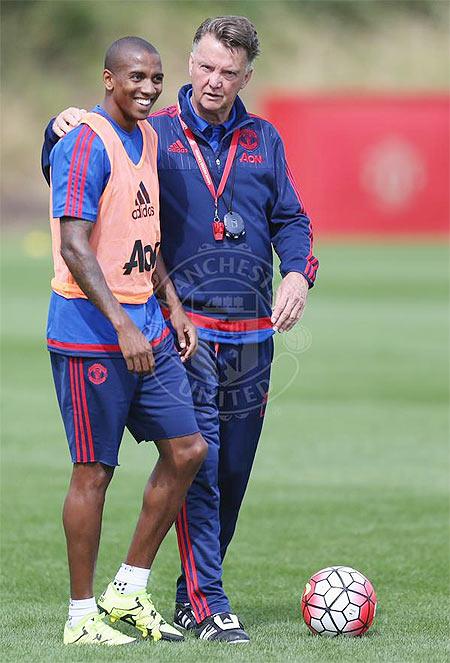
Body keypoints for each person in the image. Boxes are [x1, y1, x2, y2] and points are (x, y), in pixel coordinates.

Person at [42, 16, 318, 644]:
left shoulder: (263, 138)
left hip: (252, 335)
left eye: (228, 72)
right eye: (204, 67)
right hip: (180, 327)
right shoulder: (151, 131)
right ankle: (205, 601)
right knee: (198, 457)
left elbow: (292, 218)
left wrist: (298, 272)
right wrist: (56, 125)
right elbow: (78, 160)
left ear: (247, 75)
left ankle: (183, 593)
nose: (213, 81)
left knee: (231, 473)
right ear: (191, 63)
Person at [45, 36, 207, 646]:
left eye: (157, 78)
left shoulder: (149, 136)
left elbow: (146, 233)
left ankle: (128, 590)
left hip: (149, 324)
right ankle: (81, 618)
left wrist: (173, 307)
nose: (148, 87)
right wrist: (123, 325)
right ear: (108, 78)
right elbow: (74, 245)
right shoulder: (86, 140)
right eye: (136, 76)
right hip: (92, 333)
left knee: (188, 449)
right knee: (93, 473)